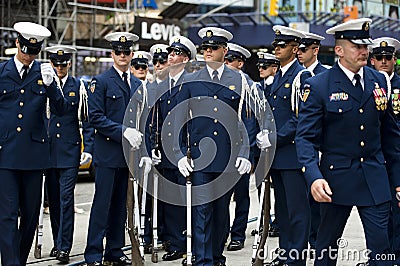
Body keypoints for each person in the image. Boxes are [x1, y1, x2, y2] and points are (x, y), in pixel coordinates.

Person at [295, 18, 400, 266]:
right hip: (334, 181)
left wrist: (397, 181)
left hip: (374, 178)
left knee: (382, 250)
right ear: (340, 50)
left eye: (366, 46)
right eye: (357, 47)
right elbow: (306, 137)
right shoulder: (319, 85)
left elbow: (391, 137)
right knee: (326, 249)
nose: (365, 52)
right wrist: (313, 176)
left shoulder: (378, 81)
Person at [175, 26, 253, 266]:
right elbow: (177, 120)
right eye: (205, 48)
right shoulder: (190, 79)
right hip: (200, 157)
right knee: (201, 211)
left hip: (228, 158)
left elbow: (248, 118)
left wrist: (245, 152)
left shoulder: (238, 79)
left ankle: (217, 256)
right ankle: (203, 260)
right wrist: (179, 154)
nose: (208, 52)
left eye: (213, 48)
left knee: (221, 213)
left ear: (224, 50)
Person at [0, 21, 66, 265]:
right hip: (5, 153)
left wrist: (52, 87)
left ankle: (18, 259)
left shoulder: (44, 74)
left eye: (34, 52)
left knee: (30, 215)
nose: (29, 56)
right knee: (6, 215)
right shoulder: (2, 72)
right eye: (26, 49)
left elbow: (61, 109)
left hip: (34, 155)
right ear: (17, 43)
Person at [84, 32, 144, 266]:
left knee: (122, 206)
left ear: (131, 54)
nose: (122, 56)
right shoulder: (101, 81)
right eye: (118, 52)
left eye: (126, 52)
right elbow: (95, 118)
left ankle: (115, 251)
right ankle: (93, 254)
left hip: (128, 156)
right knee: (102, 206)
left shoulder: (138, 84)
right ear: (112, 54)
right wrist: (122, 131)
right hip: (108, 154)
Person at [256, 25, 311, 266]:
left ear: (295, 48)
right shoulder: (277, 76)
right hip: (277, 156)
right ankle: (286, 253)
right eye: (275, 45)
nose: (276, 49)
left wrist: (274, 137)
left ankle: (296, 257)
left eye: (282, 45)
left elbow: (301, 119)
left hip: (293, 155)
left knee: (297, 211)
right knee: (283, 211)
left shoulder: (301, 77)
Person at [44, 45, 94, 263]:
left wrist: (89, 148)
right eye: (56, 64)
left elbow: (87, 119)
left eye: (63, 64)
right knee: (53, 201)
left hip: (70, 151)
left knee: (66, 200)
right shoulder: (44, 84)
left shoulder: (78, 86)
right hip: (47, 152)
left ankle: (65, 246)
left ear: (69, 64)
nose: (59, 68)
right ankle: (57, 242)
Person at [150, 35, 197, 262]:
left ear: (186, 59)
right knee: (170, 202)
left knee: (187, 200)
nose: (171, 55)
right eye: (170, 52)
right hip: (166, 154)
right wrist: (154, 146)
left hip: (185, 154)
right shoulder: (162, 85)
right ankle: (176, 243)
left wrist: (190, 151)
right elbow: (155, 120)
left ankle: (193, 244)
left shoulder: (191, 82)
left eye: (176, 53)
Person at [296, 31, 329, 255]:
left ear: (315, 50)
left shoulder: (325, 76)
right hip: (297, 147)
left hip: (319, 147)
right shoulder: (294, 76)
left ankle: (317, 243)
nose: (299, 53)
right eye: (297, 49)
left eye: (303, 49)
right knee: (298, 203)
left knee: (318, 203)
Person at [369, 37, 400, 263]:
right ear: (372, 60)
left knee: (397, 214)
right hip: (374, 158)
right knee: (376, 214)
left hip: (397, 158)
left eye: (387, 58)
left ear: (394, 60)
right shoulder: (368, 85)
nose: (383, 62)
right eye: (378, 58)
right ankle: (379, 257)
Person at [223, 42, 254, 251]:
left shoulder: (247, 84)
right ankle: (222, 233)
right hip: (220, 150)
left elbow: (251, 122)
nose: (225, 64)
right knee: (221, 197)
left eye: (229, 60)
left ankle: (238, 234)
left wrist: (246, 152)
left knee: (241, 195)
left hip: (239, 149)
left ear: (240, 63)